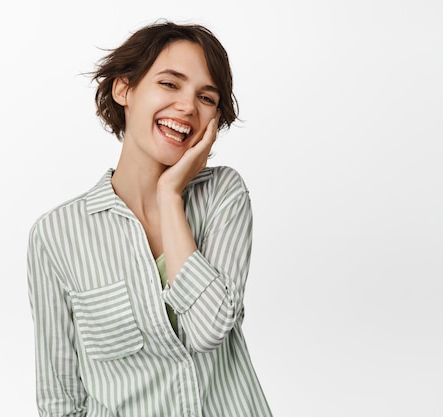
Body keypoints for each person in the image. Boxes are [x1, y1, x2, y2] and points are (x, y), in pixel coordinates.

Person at [27, 20, 273, 417]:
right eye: (170, 84)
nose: (188, 107)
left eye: (206, 98)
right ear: (124, 88)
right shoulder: (55, 235)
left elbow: (208, 330)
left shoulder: (223, 195)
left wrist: (169, 195)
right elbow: (59, 398)